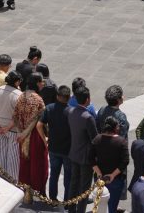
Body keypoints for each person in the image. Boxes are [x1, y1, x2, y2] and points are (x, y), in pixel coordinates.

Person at [14, 74, 48, 197]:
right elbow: (39, 120)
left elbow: (15, 116)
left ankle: (26, 194)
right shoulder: (38, 99)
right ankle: (39, 193)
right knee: (38, 165)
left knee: (24, 165)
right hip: (34, 136)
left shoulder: (21, 96)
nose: (43, 84)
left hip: (22, 137)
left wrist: (21, 132)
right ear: (37, 83)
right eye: (41, 82)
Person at [66, 85, 97, 213]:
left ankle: (71, 210)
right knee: (84, 188)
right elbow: (94, 139)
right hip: (85, 157)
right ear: (87, 99)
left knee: (74, 184)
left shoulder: (70, 111)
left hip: (73, 153)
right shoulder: (88, 117)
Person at [90, 116, 129, 213]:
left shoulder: (97, 139)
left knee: (100, 203)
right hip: (116, 179)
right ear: (115, 128)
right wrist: (112, 175)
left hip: (100, 178)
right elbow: (125, 161)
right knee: (112, 204)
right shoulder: (122, 142)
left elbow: (90, 158)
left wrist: (99, 172)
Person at [42, 85, 72, 202]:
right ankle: (67, 201)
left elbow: (40, 124)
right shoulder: (71, 111)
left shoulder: (49, 108)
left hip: (53, 147)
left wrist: (45, 139)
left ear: (57, 96)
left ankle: (53, 198)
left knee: (54, 174)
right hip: (67, 149)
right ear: (69, 97)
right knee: (68, 176)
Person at [0, 70, 23, 179]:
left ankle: (0, 178)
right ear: (17, 82)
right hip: (13, 130)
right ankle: (13, 182)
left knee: (0, 155)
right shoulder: (19, 95)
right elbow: (18, 115)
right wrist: (8, 127)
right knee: (13, 158)